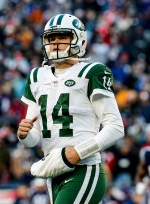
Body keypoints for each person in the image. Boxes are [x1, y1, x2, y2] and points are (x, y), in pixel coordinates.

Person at [17, 13, 124, 204]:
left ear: (79, 40)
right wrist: (24, 135)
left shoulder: (92, 72)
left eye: (63, 37)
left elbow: (115, 127)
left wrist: (79, 152)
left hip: (83, 169)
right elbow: (33, 139)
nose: (56, 43)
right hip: (54, 171)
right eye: (51, 38)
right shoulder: (36, 76)